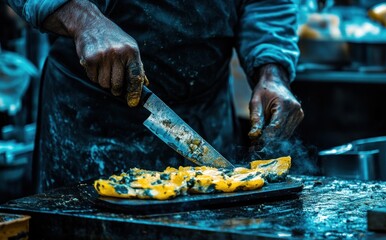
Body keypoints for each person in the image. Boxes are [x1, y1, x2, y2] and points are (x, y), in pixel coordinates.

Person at [7, 0, 304, 192]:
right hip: (90, 119)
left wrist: (272, 71)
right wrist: (82, 17)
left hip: (205, 114)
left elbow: (269, 4)